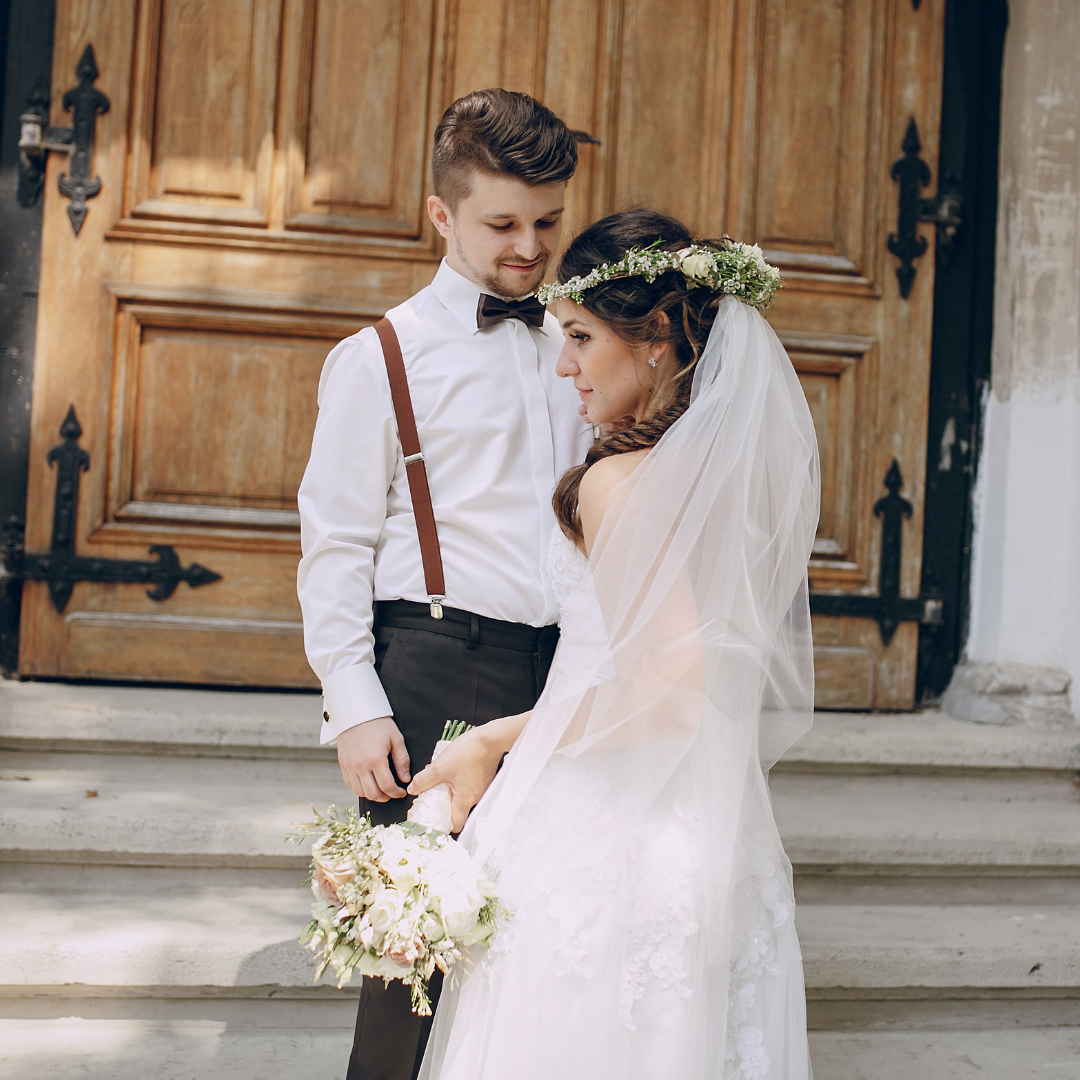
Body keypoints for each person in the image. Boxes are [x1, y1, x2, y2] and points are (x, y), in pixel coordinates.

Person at [407, 209, 820, 1080]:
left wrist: (487, 739)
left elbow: (667, 691)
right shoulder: (724, 479)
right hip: (703, 832)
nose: (565, 366)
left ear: (659, 336)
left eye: (582, 337)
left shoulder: (619, 482)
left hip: (609, 828)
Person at [296, 89, 592, 1080]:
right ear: (441, 216)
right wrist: (354, 706)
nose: (529, 247)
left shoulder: (574, 345)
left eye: (547, 222)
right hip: (431, 669)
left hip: (559, 673)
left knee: (539, 951)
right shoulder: (379, 358)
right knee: (411, 959)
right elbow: (333, 545)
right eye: (502, 224)